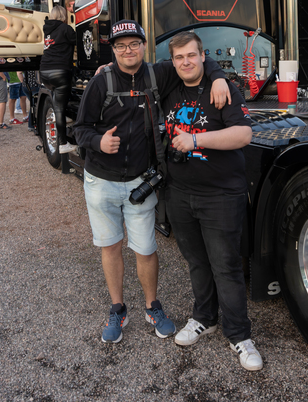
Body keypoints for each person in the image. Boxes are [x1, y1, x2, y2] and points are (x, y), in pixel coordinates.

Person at [73, 20, 229, 345]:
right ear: (112, 50)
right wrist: (98, 141)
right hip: (101, 181)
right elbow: (80, 128)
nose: (128, 50)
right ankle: (118, 309)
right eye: (120, 46)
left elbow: (197, 59)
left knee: (145, 248)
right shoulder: (101, 82)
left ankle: (151, 306)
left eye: (134, 44)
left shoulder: (158, 73)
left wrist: (219, 77)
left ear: (144, 46)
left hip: (140, 181)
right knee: (111, 246)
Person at [162, 32, 261, 371]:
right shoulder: (168, 86)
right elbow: (132, 68)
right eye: (179, 58)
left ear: (203, 56)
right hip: (179, 193)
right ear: (172, 61)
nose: (186, 62)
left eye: (192, 55)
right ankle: (205, 317)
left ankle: (239, 335)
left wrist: (195, 139)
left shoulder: (223, 89)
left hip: (220, 194)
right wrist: (106, 70)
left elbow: (243, 134)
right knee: (196, 262)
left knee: (226, 266)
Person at [39, 5, 77, 154]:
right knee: (60, 108)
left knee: (58, 103)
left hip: (44, 72)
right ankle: (63, 144)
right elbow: (79, 43)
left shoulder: (47, 30)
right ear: (63, 16)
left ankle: (64, 117)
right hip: (59, 71)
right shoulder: (66, 29)